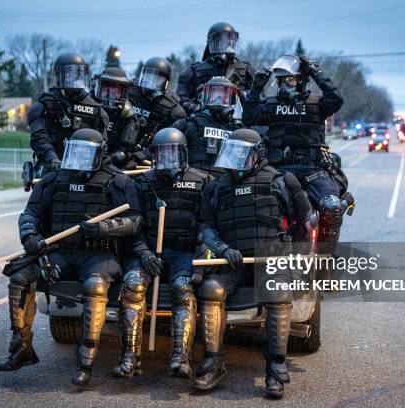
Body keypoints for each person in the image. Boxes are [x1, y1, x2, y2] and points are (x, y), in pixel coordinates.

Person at [0, 128, 143, 387]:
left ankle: (86, 362)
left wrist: (103, 228)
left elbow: (135, 221)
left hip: (99, 254)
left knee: (95, 287)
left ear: (100, 155)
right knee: (19, 276)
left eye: (87, 153)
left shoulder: (118, 181)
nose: (81, 159)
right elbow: (29, 213)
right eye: (76, 152)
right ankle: (21, 347)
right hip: (61, 253)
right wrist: (29, 236)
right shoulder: (55, 179)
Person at [194, 129, 313, 398]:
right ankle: (214, 361)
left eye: (241, 155)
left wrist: (294, 258)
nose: (235, 161)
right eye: (232, 154)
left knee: (278, 293)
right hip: (234, 261)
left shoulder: (282, 181)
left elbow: (305, 224)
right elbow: (206, 228)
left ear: (258, 155)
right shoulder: (217, 187)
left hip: (270, 259)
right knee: (210, 289)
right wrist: (221, 248)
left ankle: (275, 369)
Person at [114, 128, 213, 379]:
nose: (167, 160)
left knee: (182, 288)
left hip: (183, 252)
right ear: (154, 156)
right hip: (148, 251)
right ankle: (129, 358)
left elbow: (208, 224)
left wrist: (200, 256)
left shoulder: (203, 181)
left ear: (183, 154)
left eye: (172, 154)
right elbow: (133, 225)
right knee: (133, 285)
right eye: (162, 154)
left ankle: (180, 359)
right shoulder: (143, 182)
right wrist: (144, 254)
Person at [243, 54, 351, 263]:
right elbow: (249, 117)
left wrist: (316, 72)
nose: (285, 85)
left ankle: (323, 263)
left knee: (333, 207)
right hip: (278, 171)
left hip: (312, 170)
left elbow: (336, 99)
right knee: (255, 203)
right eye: (282, 81)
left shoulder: (318, 104)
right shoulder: (271, 104)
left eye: (290, 80)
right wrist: (256, 88)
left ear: (302, 80)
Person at [28, 53, 108, 175]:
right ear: (59, 76)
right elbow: (39, 138)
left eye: (79, 74)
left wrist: (92, 162)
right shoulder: (44, 105)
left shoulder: (96, 109)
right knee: (44, 190)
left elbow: (102, 142)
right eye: (70, 74)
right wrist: (52, 159)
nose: (75, 79)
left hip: (86, 167)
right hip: (52, 165)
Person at [176, 22, 256, 114]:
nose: (227, 47)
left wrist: (241, 94)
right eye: (222, 44)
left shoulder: (247, 70)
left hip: (238, 121)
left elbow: (257, 99)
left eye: (230, 43)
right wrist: (194, 107)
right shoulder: (193, 71)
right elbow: (181, 98)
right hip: (203, 118)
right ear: (211, 44)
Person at [173, 77, 240, 176]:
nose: (219, 100)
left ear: (232, 100)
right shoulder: (190, 124)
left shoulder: (236, 129)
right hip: (196, 181)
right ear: (204, 97)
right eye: (215, 96)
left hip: (226, 183)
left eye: (223, 97)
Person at [127, 57, 186, 152]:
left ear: (166, 82)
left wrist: (148, 153)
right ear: (142, 74)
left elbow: (169, 138)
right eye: (148, 76)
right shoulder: (128, 90)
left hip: (149, 152)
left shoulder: (172, 108)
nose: (150, 81)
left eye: (157, 79)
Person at [93, 67, 141, 169]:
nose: (110, 94)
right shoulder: (88, 106)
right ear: (98, 86)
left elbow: (124, 150)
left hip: (111, 163)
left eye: (115, 91)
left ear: (124, 92)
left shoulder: (128, 115)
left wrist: (109, 159)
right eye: (106, 89)